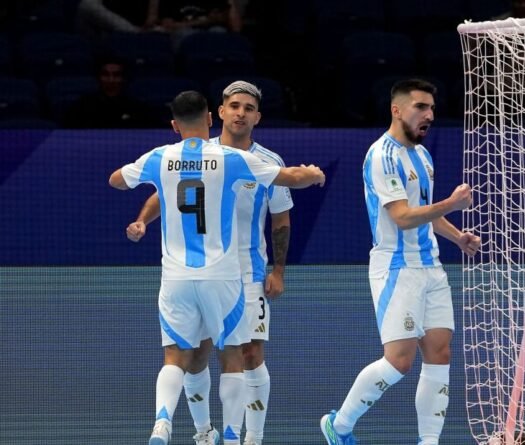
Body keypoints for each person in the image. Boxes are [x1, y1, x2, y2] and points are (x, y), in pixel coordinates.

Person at [108, 90, 324, 445]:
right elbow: (292, 177)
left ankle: (193, 427)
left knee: (194, 354)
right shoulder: (227, 158)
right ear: (215, 115)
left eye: (248, 108)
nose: (240, 113)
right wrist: (312, 174)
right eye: (234, 106)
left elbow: (118, 180)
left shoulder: (163, 156)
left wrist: (279, 271)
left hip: (219, 272)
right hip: (223, 275)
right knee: (222, 355)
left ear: (175, 125)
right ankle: (212, 433)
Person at [320, 78, 480, 445]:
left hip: (432, 268)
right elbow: (403, 217)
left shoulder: (422, 155)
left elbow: (423, 212)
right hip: (396, 267)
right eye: (420, 107)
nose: (429, 115)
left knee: (440, 352)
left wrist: (458, 237)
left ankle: (428, 442)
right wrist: (451, 204)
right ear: (397, 109)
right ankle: (339, 425)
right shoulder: (382, 155)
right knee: (399, 361)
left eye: (432, 109)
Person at [64, 58, 154, 128]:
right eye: (106, 74)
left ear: (123, 78)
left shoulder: (137, 109)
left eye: (116, 75)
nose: (111, 79)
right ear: (99, 77)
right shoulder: (82, 107)